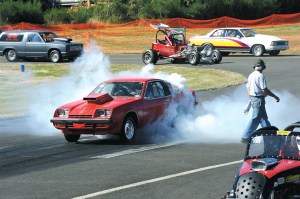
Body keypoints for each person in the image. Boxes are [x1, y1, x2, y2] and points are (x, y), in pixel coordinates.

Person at [241, 59, 280, 143]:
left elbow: (248, 87)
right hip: (258, 99)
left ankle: (269, 135)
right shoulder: (260, 76)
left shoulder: (251, 75)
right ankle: (245, 136)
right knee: (255, 118)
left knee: (263, 119)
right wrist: (275, 96)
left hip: (255, 99)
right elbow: (264, 89)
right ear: (263, 67)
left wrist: (251, 96)